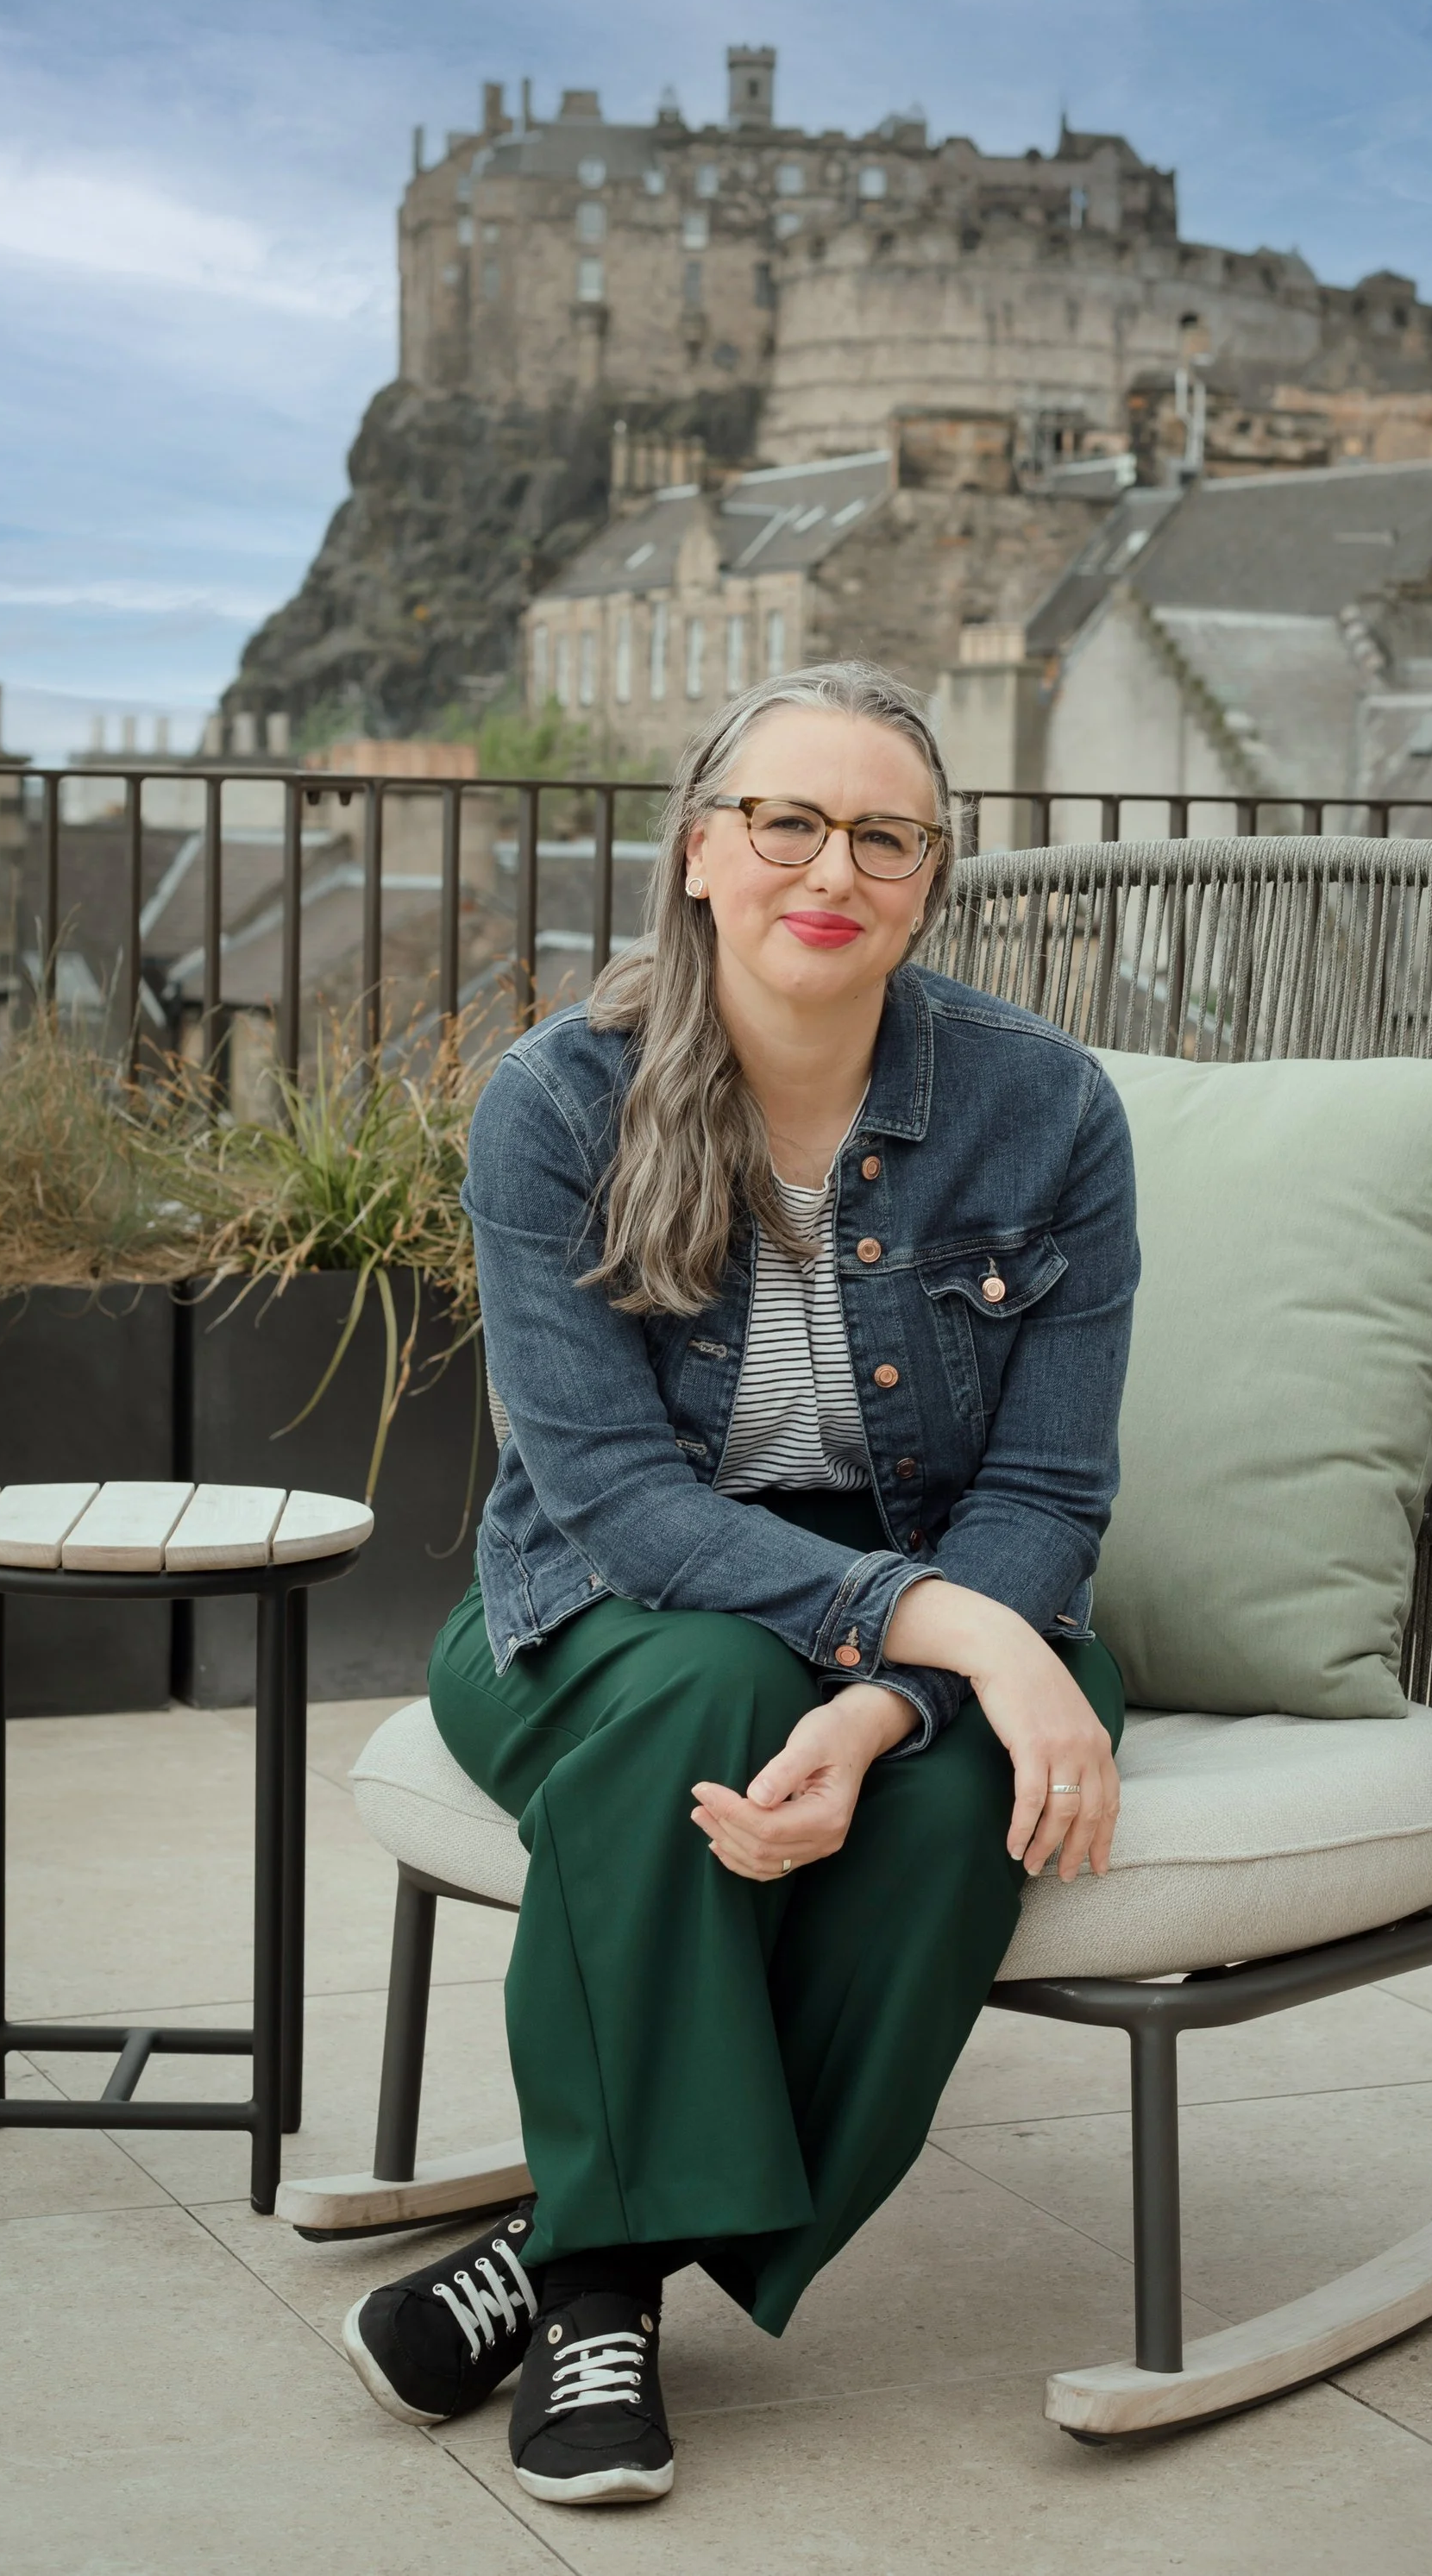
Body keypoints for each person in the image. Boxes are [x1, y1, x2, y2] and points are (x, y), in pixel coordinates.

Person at [342, 661, 1140, 2505]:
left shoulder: (1047, 1113)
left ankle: (575, 2269)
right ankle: (608, 2275)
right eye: (785, 820)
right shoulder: (559, 1103)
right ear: (699, 852)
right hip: (594, 1618)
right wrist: (951, 1636)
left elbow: (1042, 1485)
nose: (828, 868)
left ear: (930, 879)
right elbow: (616, 1499)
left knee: (965, 1804)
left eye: (883, 836)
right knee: (703, 1684)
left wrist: (883, 1703)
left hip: (951, 1602)